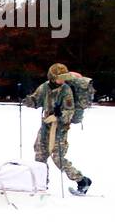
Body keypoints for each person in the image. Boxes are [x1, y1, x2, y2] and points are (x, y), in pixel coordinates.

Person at [22, 62, 92, 195]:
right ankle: (41, 184)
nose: (62, 80)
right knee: (40, 155)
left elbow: (69, 112)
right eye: (60, 77)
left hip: (59, 129)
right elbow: (36, 100)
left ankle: (82, 181)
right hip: (45, 127)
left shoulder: (66, 90)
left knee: (58, 158)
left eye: (64, 77)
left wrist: (59, 116)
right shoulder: (44, 87)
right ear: (52, 77)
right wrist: (27, 100)